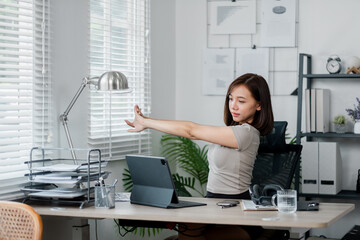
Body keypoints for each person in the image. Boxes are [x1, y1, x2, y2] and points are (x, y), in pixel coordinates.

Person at [125, 73, 274, 240]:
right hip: (212, 203)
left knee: (191, 232)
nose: (233, 106)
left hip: (235, 208)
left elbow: (191, 131)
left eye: (241, 101)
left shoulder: (247, 134)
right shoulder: (231, 131)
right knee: (186, 227)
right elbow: (191, 131)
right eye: (231, 99)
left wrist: (146, 122)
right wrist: (145, 120)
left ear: (259, 105)